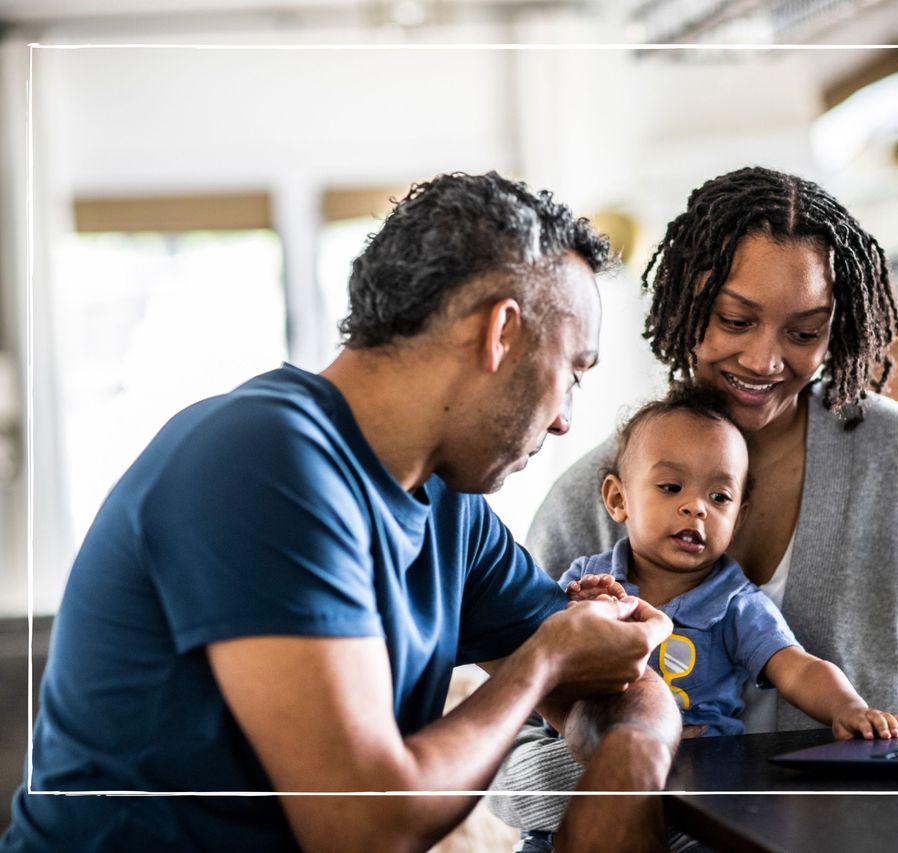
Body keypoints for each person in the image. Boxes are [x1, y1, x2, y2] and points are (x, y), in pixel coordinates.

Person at [1, 172, 682, 853]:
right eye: (574, 371)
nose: (566, 420)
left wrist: (632, 771)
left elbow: (613, 672)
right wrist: (545, 659)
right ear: (500, 333)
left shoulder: (452, 507)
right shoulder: (262, 459)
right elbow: (364, 826)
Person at [490, 165, 898, 836]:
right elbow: (511, 780)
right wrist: (647, 760)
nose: (765, 358)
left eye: (804, 332)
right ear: (685, 303)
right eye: (735, 319)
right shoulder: (588, 498)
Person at [562, 384, 898, 741]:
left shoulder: (735, 602)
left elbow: (797, 669)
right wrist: (578, 618)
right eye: (671, 487)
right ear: (617, 498)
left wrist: (849, 708)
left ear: (739, 519)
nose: (696, 507)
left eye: (719, 497)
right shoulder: (587, 580)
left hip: (703, 772)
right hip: (598, 759)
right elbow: (536, 658)